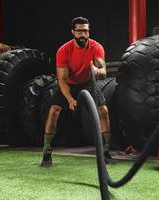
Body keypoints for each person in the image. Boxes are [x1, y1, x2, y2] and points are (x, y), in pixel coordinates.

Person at [41, 16, 111, 167]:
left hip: (87, 83)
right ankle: (47, 153)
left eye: (86, 31)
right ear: (73, 32)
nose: (83, 35)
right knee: (54, 110)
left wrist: (97, 71)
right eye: (79, 32)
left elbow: (104, 71)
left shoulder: (96, 47)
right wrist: (70, 99)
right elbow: (62, 80)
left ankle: (105, 151)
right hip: (69, 84)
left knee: (103, 110)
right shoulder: (64, 50)